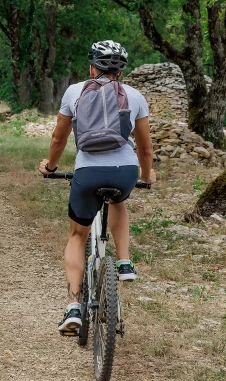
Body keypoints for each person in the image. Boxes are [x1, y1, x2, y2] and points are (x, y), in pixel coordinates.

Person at [38, 40, 156, 334]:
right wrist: (147, 174)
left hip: (88, 171)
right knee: (119, 201)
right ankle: (125, 263)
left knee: (77, 235)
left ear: (92, 67)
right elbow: (145, 149)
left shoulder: (74, 91)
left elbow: (58, 138)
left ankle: (73, 307)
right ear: (122, 71)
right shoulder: (136, 96)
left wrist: (50, 167)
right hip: (124, 171)